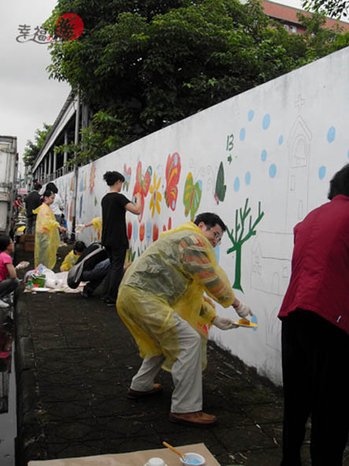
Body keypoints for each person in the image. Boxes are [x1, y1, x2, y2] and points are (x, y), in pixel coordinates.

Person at [117, 212, 253, 426]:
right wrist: (236, 304)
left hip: (133, 296)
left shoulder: (181, 239)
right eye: (214, 234)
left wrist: (214, 318)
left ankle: (141, 385)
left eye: (219, 238)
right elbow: (210, 279)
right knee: (189, 341)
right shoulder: (192, 240)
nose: (215, 241)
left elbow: (190, 295)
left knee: (162, 342)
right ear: (201, 225)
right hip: (144, 297)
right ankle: (186, 409)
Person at [278, 163, 349, 466]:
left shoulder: (310, 217)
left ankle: (289, 460)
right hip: (331, 321)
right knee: (331, 408)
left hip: (294, 315)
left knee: (297, 400)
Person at [101, 171, 141, 305]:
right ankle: (112, 298)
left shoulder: (105, 199)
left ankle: (107, 295)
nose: (121, 186)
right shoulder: (119, 198)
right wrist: (139, 198)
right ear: (118, 182)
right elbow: (136, 210)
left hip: (107, 238)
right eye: (121, 183)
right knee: (117, 268)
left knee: (113, 266)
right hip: (118, 238)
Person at [34, 189, 67, 269]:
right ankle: (42, 272)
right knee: (43, 256)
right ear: (46, 198)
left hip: (45, 235)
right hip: (44, 236)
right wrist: (59, 226)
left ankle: (42, 271)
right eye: (52, 198)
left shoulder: (46, 207)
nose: (53, 200)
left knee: (44, 255)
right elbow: (48, 221)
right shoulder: (44, 209)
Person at [0, 235, 20, 309]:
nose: (13, 244)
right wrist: (17, 268)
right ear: (8, 246)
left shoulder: (1, 255)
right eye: (12, 243)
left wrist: (17, 267)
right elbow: (13, 276)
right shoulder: (6, 257)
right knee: (16, 281)